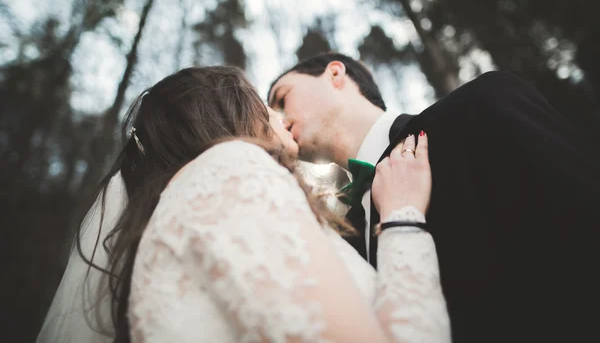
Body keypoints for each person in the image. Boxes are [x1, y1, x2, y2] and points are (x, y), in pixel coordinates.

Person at [38, 66, 450, 343]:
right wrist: (402, 218)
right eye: (264, 102)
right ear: (232, 112)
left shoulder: (184, 211)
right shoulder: (231, 171)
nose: (279, 117)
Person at [268, 53, 600, 343]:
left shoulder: (483, 104)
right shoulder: (341, 237)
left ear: (335, 74)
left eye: (282, 98)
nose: (279, 119)